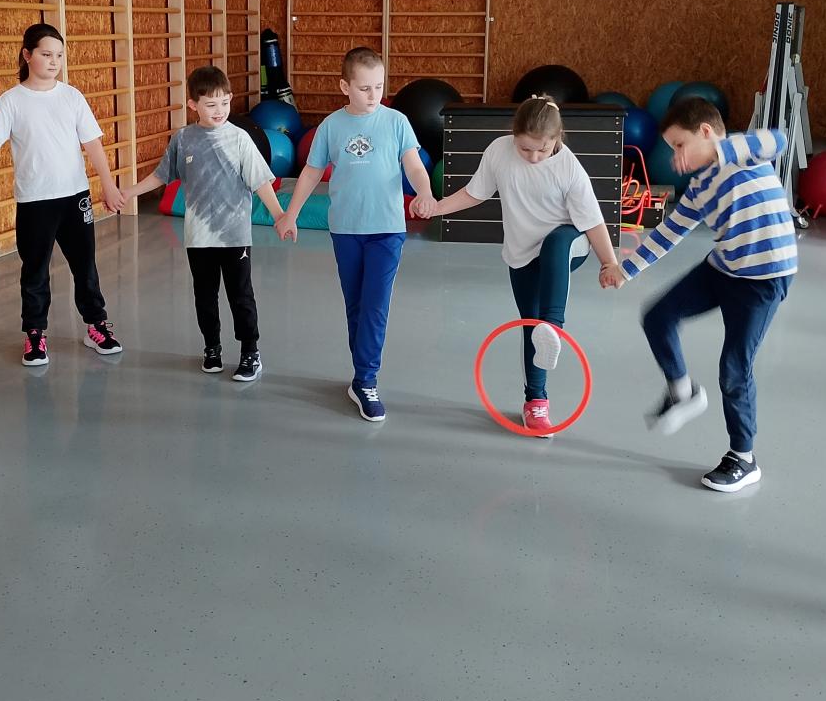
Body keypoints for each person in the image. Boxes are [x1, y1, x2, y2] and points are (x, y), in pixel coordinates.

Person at [602, 97, 796, 492]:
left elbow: (779, 140)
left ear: (706, 132)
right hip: (723, 268)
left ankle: (743, 458)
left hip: (763, 278)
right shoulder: (699, 187)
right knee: (657, 316)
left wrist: (716, 150)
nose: (676, 156)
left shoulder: (743, 155)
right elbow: (670, 232)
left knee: (734, 369)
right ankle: (683, 392)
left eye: (680, 145)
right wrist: (625, 270)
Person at [0, 24, 125, 366]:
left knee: (85, 266)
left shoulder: (72, 97)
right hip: (35, 202)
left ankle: (96, 325)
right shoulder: (11, 101)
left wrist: (108, 184)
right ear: (27, 55)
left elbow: (92, 143)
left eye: (59, 55)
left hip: (75, 197)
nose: (54, 62)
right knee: (35, 270)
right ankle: (35, 333)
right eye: (46, 54)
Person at [430, 95, 617, 435]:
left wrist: (609, 263)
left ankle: (554, 325)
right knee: (531, 323)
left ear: (556, 139)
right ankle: (536, 402)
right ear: (513, 135)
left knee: (555, 248)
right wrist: (436, 208)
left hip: (569, 244)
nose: (533, 157)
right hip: (521, 252)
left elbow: (592, 221)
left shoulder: (569, 168)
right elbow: (475, 192)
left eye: (541, 150)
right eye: (525, 148)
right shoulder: (498, 151)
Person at [274, 47, 435, 421]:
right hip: (346, 230)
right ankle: (361, 375)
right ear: (345, 86)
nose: (373, 95)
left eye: (379, 86)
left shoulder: (396, 122)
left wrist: (425, 192)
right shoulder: (332, 126)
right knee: (357, 306)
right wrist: (290, 214)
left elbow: (413, 165)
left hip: (387, 230)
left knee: (375, 305)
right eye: (364, 88)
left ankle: (366, 379)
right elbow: (311, 172)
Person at [123, 66, 286, 380]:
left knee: (241, 295)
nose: (219, 110)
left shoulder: (239, 139)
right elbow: (161, 175)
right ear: (193, 104)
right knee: (205, 295)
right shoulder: (184, 139)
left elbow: (260, 182)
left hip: (235, 236)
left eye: (224, 102)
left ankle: (250, 352)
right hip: (199, 237)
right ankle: (212, 348)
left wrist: (280, 215)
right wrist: (130, 192)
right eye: (211, 104)